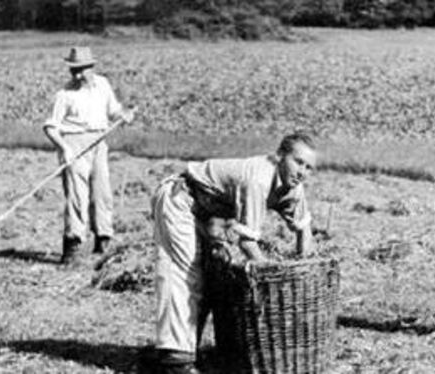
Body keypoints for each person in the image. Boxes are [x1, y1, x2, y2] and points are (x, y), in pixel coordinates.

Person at [147, 131, 317, 373]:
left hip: (210, 213)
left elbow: (304, 229)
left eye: (309, 168)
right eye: (298, 162)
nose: (302, 172)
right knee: (185, 274)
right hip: (181, 198)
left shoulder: (294, 186)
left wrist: (303, 268)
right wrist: (273, 278)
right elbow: (247, 244)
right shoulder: (258, 178)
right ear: (280, 156)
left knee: (212, 275)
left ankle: (186, 349)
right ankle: (175, 361)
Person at [43, 46, 134, 266]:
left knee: (102, 193)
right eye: (73, 70)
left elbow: (113, 111)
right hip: (74, 144)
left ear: (91, 67)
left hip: (99, 142)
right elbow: (50, 127)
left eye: (81, 69)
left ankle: (103, 240)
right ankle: (73, 246)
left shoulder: (102, 84)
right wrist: (64, 148)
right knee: (77, 196)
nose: (76, 75)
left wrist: (124, 114)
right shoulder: (64, 94)